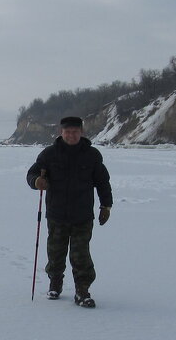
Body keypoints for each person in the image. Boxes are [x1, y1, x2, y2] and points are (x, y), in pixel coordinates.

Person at [26, 116, 112, 308]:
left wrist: (106, 206)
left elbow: (103, 183)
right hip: (57, 215)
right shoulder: (49, 154)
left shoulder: (92, 155)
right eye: (68, 132)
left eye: (75, 132)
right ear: (61, 132)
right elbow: (32, 174)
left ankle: (82, 290)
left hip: (82, 215)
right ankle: (55, 282)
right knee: (55, 252)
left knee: (81, 254)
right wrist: (36, 182)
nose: (71, 135)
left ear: (81, 133)